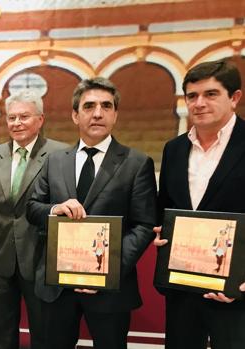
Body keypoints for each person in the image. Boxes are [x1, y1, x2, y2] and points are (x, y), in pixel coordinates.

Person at [26, 77, 157, 349]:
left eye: (106, 106)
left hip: (109, 288)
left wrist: (106, 271)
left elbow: (144, 225)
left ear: (115, 114)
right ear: (76, 115)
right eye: (89, 106)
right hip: (57, 285)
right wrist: (55, 209)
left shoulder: (136, 163)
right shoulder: (55, 160)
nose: (98, 113)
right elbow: (32, 208)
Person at [153, 59, 245, 349]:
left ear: (235, 97)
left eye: (211, 94)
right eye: (192, 96)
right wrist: (160, 233)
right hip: (182, 286)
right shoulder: (175, 149)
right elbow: (165, 207)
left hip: (234, 292)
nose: (199, 103)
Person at [0, 89, 66, 349]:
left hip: (41, 258)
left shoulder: (59, 154)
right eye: (11, 117)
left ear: (40, 119)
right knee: (2, 330)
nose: (16, 123)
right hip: (0, 256)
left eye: (24, 117)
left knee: (43, 330)